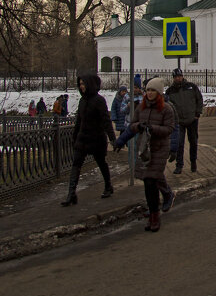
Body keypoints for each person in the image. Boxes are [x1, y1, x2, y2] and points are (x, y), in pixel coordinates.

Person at [117, 77, 174, 232]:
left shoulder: (166, 109)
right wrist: (120, 141)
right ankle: (164, 198)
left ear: (159, 92)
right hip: (145, 149)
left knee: (150, 181)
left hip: (159, 148)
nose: (149, 93)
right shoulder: (141, 108)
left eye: (153, 90)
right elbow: (132, 125)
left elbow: (169, 129)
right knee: (150, 181)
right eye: (148, 90)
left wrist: (153, 128)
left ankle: (154, 217)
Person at [61, 74, 116, 206]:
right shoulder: (82, 101)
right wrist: (74, 138)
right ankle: (71, 194)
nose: (81, 86)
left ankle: (108, 186)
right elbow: (79, 122)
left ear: (89, 84)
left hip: (96, 138)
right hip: (82, 138)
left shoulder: (99, 100)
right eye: (80, 84)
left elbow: (106, 121)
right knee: (76, 165)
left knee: (101, 163)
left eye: (83, 84)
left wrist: (112, 139)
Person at [165, 68, 203, 174]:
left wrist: (197, 114)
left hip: (192, 119)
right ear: (173, 78)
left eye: (179, 76)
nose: (178, 78)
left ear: (182, 76)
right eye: (176, 77)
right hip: (179, 122)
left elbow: (199, 99)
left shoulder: (191, 87)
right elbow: (168, 106)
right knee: (179, 143)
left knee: (193, 142)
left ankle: (193, 162)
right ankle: (179, 165)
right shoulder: (170, 91)